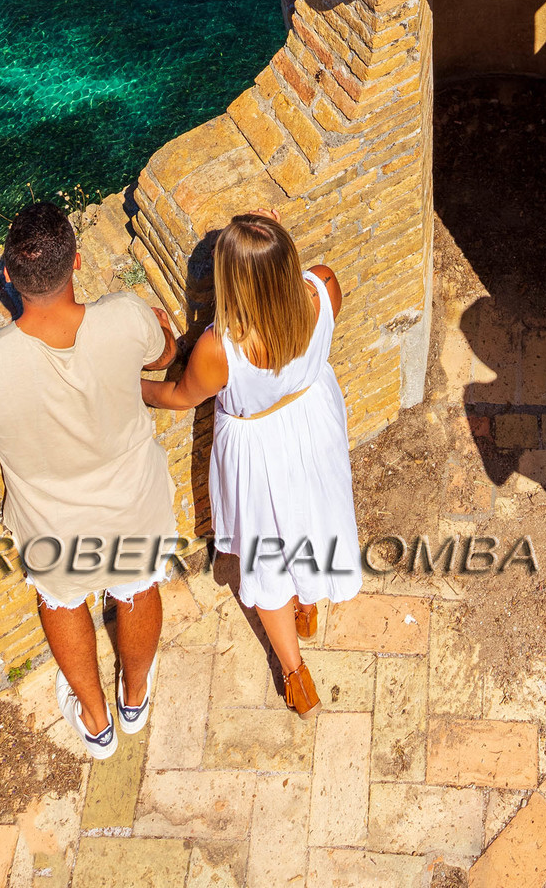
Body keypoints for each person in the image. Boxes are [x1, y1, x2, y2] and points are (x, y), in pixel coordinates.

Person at [0, 202, 179, 760]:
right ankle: (135, 697)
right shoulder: (125, 315)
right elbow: (163, 355)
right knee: (139, 586)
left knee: (64, 602)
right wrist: (158, 330)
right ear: (77, 262)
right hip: (135, 503)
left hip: (54, 525)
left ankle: (96, 723)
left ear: (9, 275)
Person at [143, 210, 358, 717]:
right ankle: (308, 605)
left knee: (267, 563)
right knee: (310, 520)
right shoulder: (323, 288)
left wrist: (133, 386)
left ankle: (295, 675)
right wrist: (268, 239)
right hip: (314, 426)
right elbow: (294, 300)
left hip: (260, 453)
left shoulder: (221, 348)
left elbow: (180, 396)